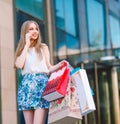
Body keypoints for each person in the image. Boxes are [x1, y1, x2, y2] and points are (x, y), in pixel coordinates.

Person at [14, 20, 66, 124]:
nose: (35, 31)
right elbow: (18, 65)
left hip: (42, 86)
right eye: (31, 29)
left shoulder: (43, 47)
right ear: (25, 32)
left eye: (36, 29)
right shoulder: (22, 49)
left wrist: (59, 65)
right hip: (27, 88)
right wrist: (26, 44)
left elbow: (49, 67)